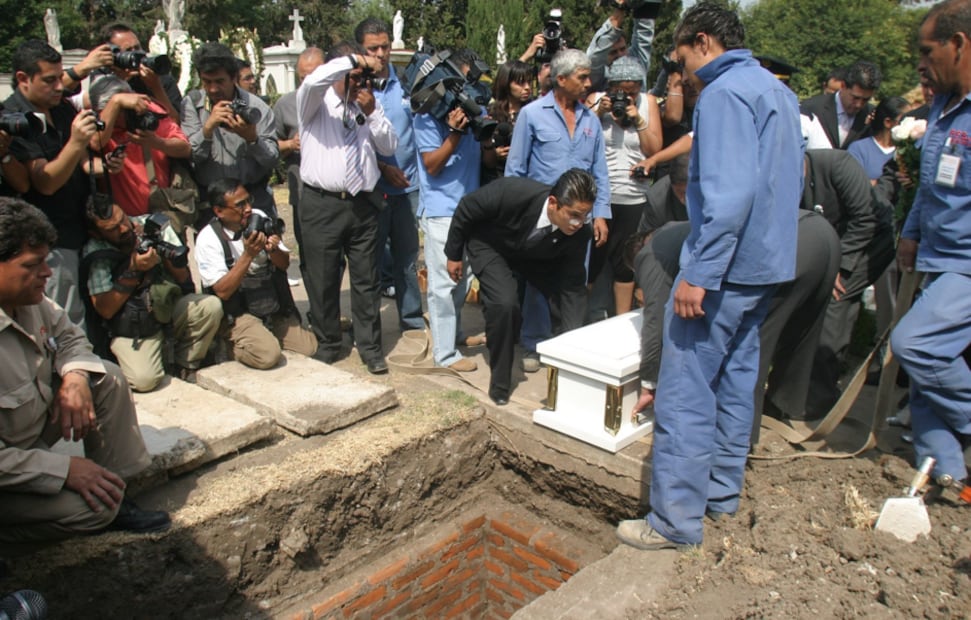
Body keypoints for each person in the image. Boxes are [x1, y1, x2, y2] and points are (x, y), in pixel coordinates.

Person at [615, 2, 803, 551]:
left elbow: (727, 194)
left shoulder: (723, 94)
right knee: (737, 380)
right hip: (763, 266)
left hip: (722, 271)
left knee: (685, 392)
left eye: (681, 61)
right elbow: (787, 182)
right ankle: (721, 495)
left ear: (702, 41)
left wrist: (699, 273)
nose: (682, 75)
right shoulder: (776, 91)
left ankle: (673, 521)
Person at [0, 198, 170, 543]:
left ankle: (116, 489)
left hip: (28, 438)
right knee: (95, 509)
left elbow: (70, 337)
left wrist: (75, 376)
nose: (47, 273)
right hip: (7, 469)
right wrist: (63, 470)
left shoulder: (30, 303)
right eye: (33, 265)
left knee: (103, 376)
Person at [891, 0, 971, 488]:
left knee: (915, 344)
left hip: (967, 261)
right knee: (927, 375)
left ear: (958, 44)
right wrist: (913, 232)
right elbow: (929, 183)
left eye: (928, 50)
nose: (921, 63)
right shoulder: (942, 106)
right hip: (939, 254)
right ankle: (943, 472)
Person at [445, 170, 595, 405]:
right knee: (504, 305)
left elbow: (572, 287)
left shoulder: (580, 232)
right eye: (574, 215)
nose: (579, 223)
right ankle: (500, 383)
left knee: (567, 312)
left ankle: (569, 378)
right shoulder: (513, 192)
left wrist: (573, 338)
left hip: (534, 257)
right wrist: (454, 255)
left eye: (585, 216)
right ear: (554, 203)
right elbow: (467, 208)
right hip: (491, 245)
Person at [505, 48, 611, 372]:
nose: (588, 82)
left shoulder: (591, 120)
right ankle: (534, 343)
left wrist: (602, 213)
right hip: (544, 217)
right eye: (582, 77)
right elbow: (515, 168)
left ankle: (570, 348)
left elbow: (600, 170)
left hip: (581, 220)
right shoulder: (532, 115)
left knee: (574, 286)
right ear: (561, 79)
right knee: (537, 284)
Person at [295, 43, 396, 373]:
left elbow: (388, 144)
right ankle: (328, 343)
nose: (359, 83)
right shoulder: (315, 103)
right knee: (323, 278)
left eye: (363, 77)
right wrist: (351, 61)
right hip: (322, 204)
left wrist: (373, 112)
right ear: (338, 71)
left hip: (362, 204)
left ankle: (370, 347)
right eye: (352, 77)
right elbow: (312, 82)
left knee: (367, 280)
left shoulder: (367, 104)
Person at [4, 40, 100, 328]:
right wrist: (76, 141)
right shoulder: (12, 120)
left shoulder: (59, 109)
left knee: (88, 316)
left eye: (60, 77)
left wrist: (100, 166)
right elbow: (44, 183)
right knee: (64, 319)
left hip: (80, 228)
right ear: (23, 79)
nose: (60, 87)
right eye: (49, 80)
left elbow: (82, 160)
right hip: (50, 240)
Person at [82, 201, 222, 390]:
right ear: (97, 233)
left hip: (167, 308)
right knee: (144, 380)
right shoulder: (96, 251)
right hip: (133, 327)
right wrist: (133, 270)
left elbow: (183, 276)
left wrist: (158, 249)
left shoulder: (151, 225)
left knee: (210, 306)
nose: (124, 228)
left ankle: (185, 364)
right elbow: (105, 310)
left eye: (123, 219)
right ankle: (150, 357)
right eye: (113, 229)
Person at [803, 149, 896, 418]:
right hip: (836, 241)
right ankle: (810, 382)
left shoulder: (838, 165)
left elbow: (866, 219)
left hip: (873, 241)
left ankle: (821, 397)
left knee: (835, 299)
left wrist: (839, 267)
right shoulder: (791, 179)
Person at [195, 179, 317, 369]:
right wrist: (248, 255)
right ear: (219, 211)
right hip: (237, 312)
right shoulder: (208, 239)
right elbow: (222, 292)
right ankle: (227, 345)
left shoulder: (258, 217)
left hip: (268, 303)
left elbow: (284, 264)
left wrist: (273, 250)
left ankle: (263, 335)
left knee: (308, 348)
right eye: (240, 205)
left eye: (248, 200)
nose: (248, 208)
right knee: (268, 356)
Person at [414, 49, 484, 373]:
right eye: (460, 79)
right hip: (442, 209)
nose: (464, 88)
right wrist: (454, 133)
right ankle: (444, 355)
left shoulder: (472, 109)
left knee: (462, 278)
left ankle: (452, 335)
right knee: (443, 283)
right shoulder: (426, 116)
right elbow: (432, 165)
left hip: (469, 207)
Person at [355, 18, 424, 332]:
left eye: (385, 46)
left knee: (407, 259)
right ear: (360, 51)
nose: (380, 54)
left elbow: (417, 133)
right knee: (368, 263)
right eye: (373, 48)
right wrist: (383, 168)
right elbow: (351, 142)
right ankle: (370, 330)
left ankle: (410, 321)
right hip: (372, 190)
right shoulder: (354, 89)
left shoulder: (407, 84)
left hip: (409, 188)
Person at [587, 55, 662, 315]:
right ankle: (575, 321)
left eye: (633, 92)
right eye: (621, 92)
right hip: (599, 196)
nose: (627, 97)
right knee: (591, 262)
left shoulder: (648, 102)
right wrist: (598, 112)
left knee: (625, 264)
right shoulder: (596, 99)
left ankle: (620, 320)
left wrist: (638, 119)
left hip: (634, 196)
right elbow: (580, 142)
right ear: (610, 87)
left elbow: (654, 150)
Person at [181, 42, 279, 217]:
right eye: (207, 82)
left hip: (252, 198)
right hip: (211, 203)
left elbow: (272, 159)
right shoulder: (192, 104)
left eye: (219, 81)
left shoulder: (257, 108)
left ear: (234, 78)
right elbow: (192, 156)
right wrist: (208, 129)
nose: (213, 89)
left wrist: (252, 139)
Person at [87, 75, 191, 217]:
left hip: (161, 213)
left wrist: (157, 142)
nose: (123, 115)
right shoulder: (97, 126)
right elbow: (95, 142)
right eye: (116, 110)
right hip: (121, 221)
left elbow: (185, 149)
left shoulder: (148, 111)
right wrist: (115, 103)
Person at [274, 47, 325, 282]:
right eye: (303, 78)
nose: (309, 83)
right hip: (304, 193)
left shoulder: (338, 100)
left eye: (314, 76)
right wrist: (290, 144)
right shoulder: (285, 104)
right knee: (311, 255)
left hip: (338, 194)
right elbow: (269, 146)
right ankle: (317, 313)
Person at [801, 60, 882, 150]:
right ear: (843, 86)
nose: (859, 105)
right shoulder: (811, 108)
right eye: (855, 98)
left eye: (865, 100)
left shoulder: (873, 116)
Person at [482, 60, 535, 184]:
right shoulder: (490, 112)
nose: (527, 87)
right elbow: (486, 161)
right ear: (506, 83)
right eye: (520, 83)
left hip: (526, 182)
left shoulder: (534, 112)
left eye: (529, 82)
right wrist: (494, 152)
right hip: (494, 182)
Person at [848, 96, 910, 182]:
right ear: (888, 122)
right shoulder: (859, 149)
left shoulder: (908, 152)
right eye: (904, 121)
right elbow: (853, 184)